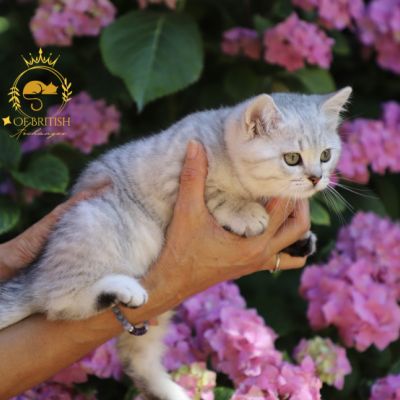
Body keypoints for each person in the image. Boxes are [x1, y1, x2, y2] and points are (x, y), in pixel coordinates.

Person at [0, 141, 310, 399]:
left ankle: (145, 367)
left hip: (133, 245)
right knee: (97, 232)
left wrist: (9, 260)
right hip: (109, 230)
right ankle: (77, 295)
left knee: (141, 275)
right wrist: (170, 284)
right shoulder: (217, 146)